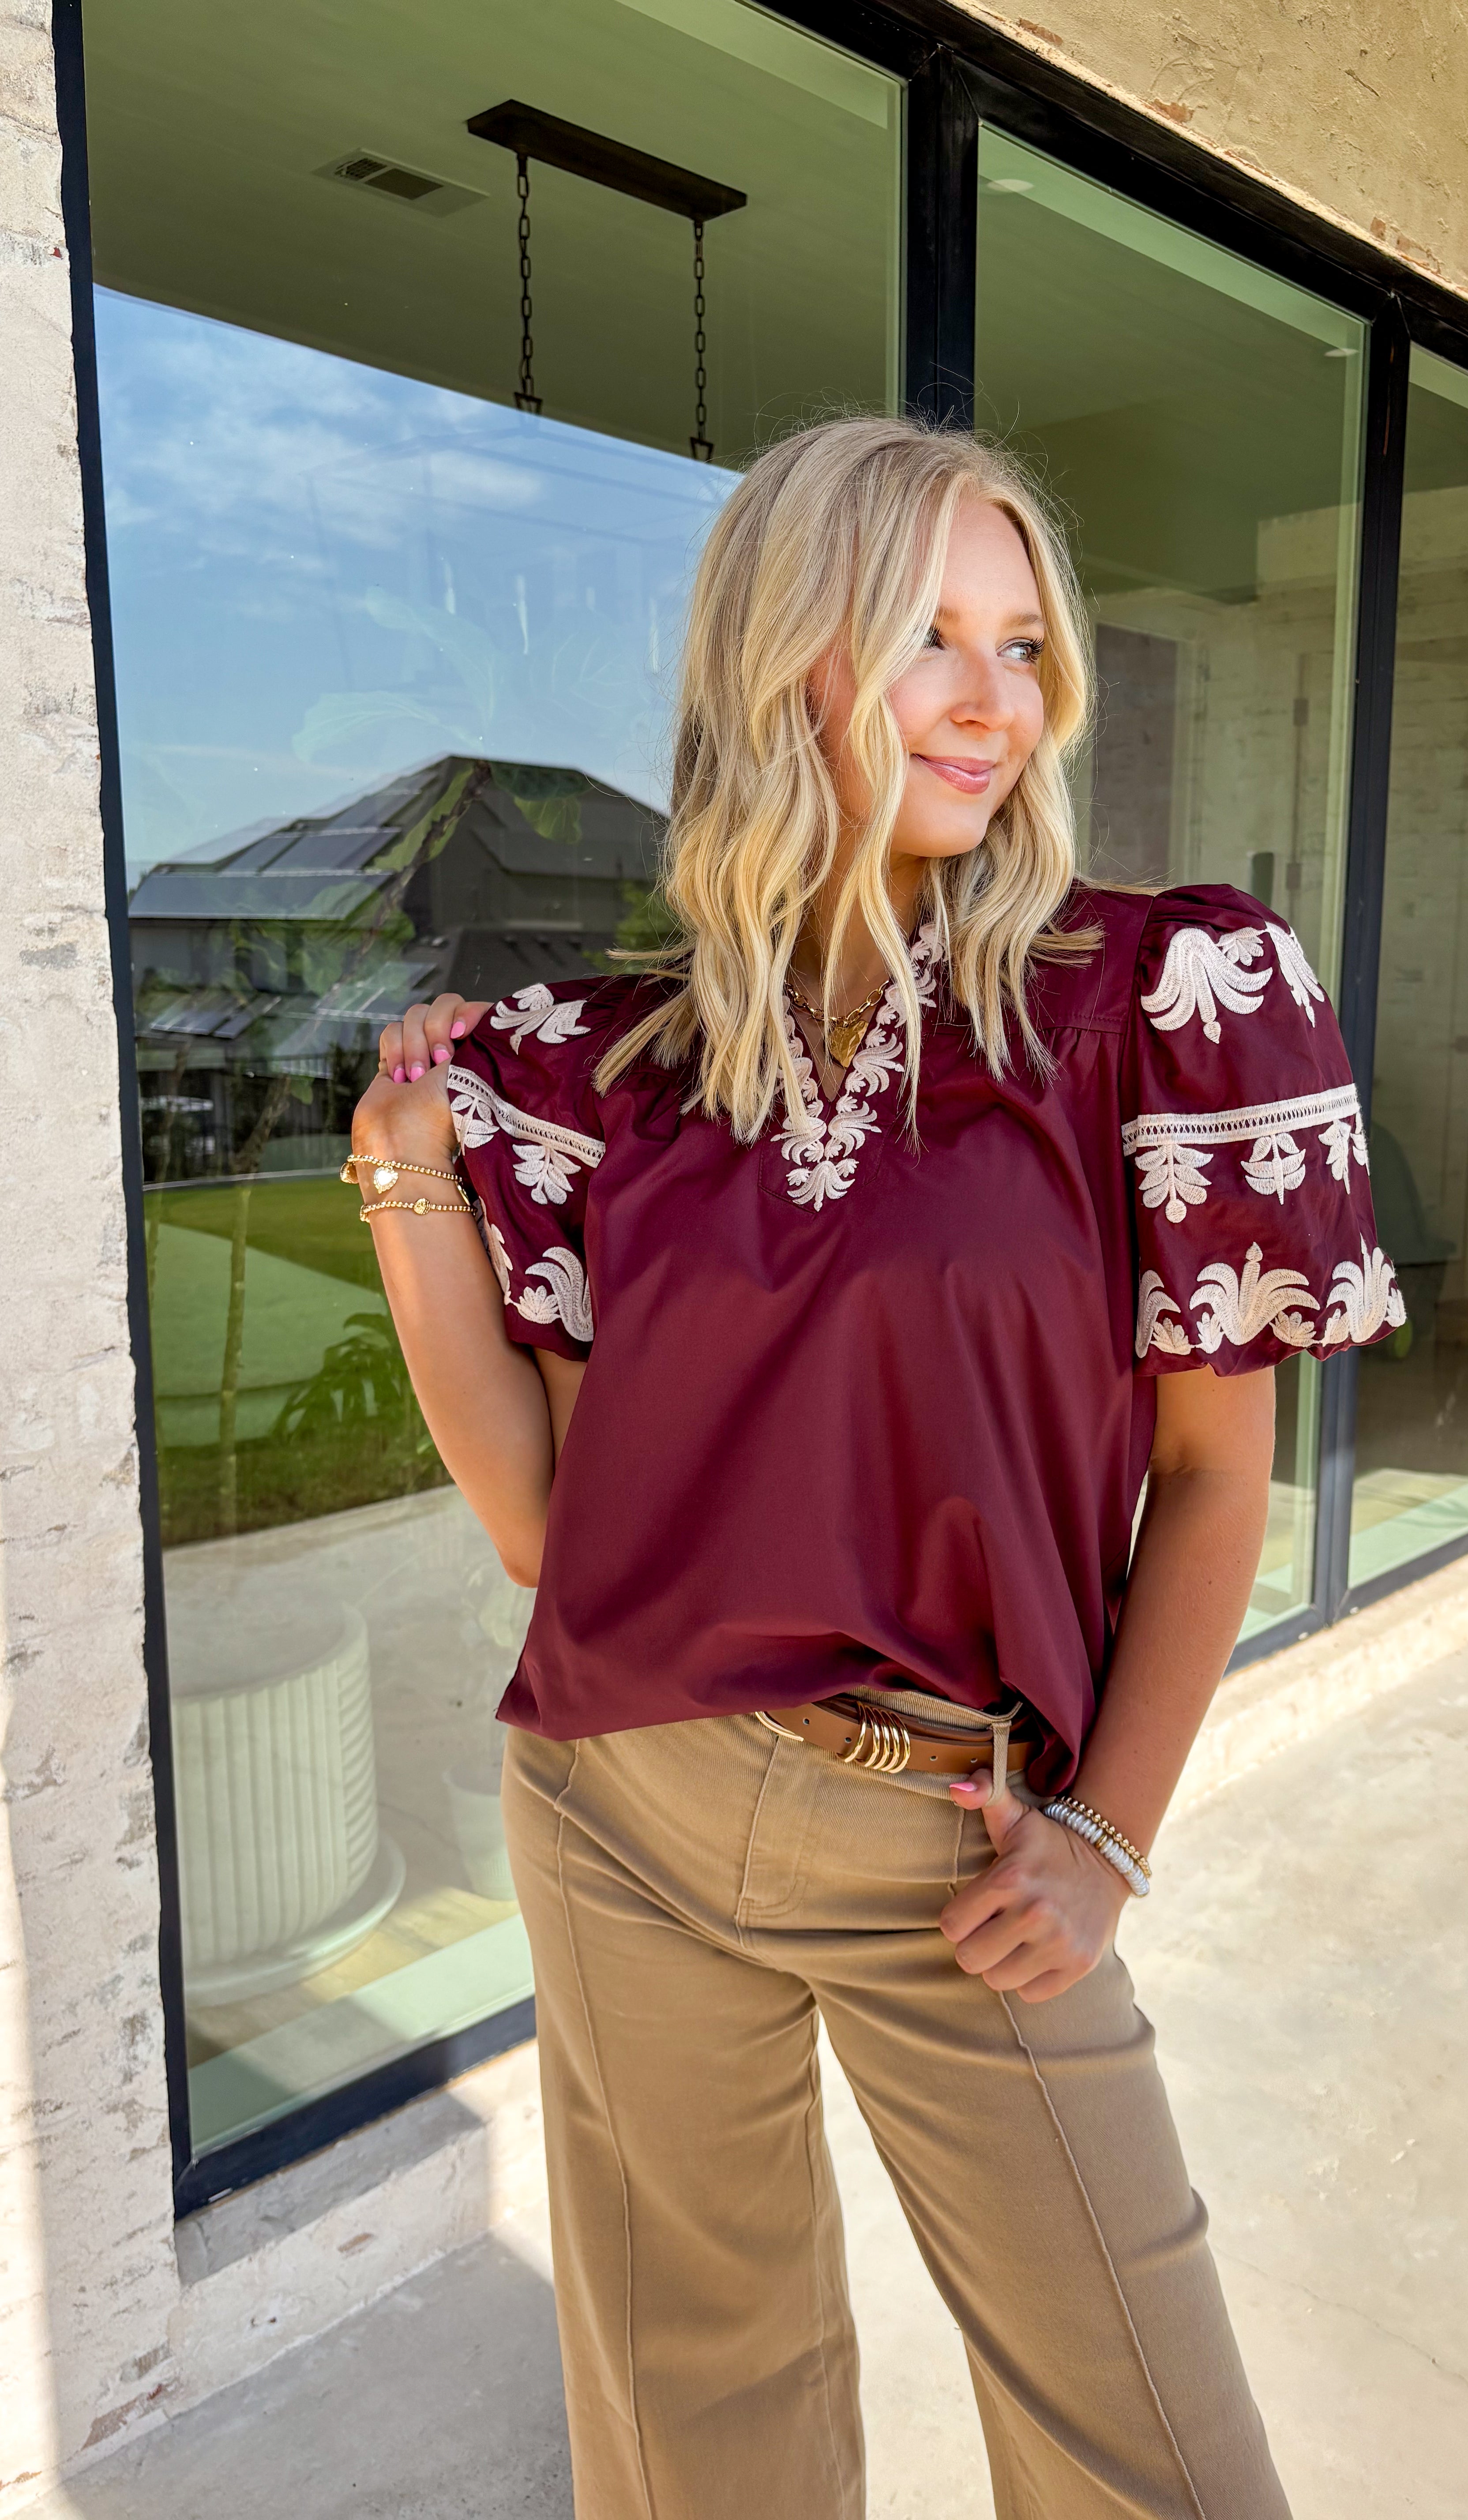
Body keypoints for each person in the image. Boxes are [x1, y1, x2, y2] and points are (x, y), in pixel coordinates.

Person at [352, 416, 1402, 2520]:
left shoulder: (1166, 993)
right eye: (931, 633)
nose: (995, 699)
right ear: (789, 659)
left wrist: (1107, 1836)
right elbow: (551, 1526)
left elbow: (1216, 1476)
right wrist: (405, 1179)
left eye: (1025, 646)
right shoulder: (627, 1062)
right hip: (622, 1806)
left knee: (1156, 2460)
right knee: (690, 2425)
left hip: (955, 1845)